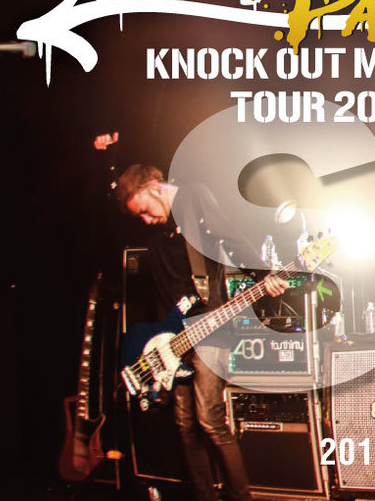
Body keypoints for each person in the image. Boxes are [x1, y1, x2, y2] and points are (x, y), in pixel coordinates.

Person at [115, 165, 283, 501]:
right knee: (185, 425)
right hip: (174, 340)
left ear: (154, 188)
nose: (146, 220)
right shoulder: (158, 236)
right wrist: (157, 343)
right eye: (140, 217)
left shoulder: (193, 199)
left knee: (209, 420)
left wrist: (264, 274)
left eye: (145, 211)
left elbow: (233, 239)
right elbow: (163, 295)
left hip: (209, 326)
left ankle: (240, 497)